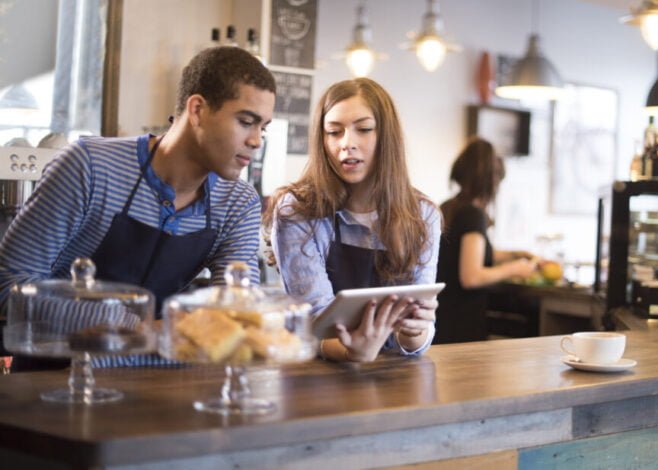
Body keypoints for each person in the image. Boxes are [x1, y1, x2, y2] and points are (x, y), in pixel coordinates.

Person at [0, 46, 276, 369]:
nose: (257, 140)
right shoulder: (90, 166)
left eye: (264, 128)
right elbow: (10, 284)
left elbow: (236, 310)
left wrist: (162, 333)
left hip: (159, 385)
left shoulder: (238, 203)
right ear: (198, 110)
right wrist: (141, 328)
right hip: (54, 379)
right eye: (246, 122)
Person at [264, 78, 440, 363]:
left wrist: (413, 332)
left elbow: (417, 341)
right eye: (334, 132)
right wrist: (352, 351)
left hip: (391, 380)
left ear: (387, 137)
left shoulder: (422, 215)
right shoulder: (297, 211)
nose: (347, 144)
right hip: (314, 376)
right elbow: (313, 327)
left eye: (364, 129)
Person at [434, 137, 539, 344]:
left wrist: (513, 254)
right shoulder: (473, 215)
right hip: (460, 327)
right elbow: (471, 276)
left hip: (442, 320)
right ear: (491, 180)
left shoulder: (449, 207)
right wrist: (515, 268)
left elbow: (462, 253)